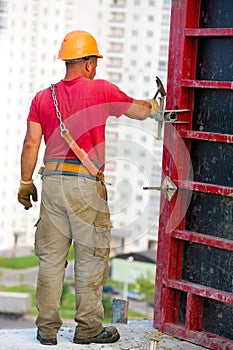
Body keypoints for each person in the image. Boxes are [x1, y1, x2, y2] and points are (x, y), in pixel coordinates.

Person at [17, 30, 158, 346]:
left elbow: (30, 143)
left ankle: (47, 330)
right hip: (84, 183)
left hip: (51, 182)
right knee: (91, 257)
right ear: (90, 64)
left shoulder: (42, 97)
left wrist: (25, 182)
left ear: (66, 61)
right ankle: (88, 330)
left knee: (51, 260)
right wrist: (154, 104)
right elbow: (137, 110)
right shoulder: (101, 90)